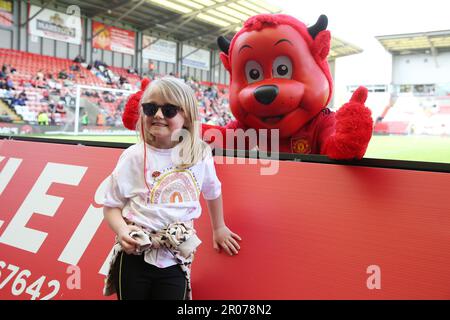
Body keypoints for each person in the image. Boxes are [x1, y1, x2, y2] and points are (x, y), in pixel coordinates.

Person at [102, 77, 241, 300]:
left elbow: (213, 191)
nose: (157, 115)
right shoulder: (133, 156)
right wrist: (121, 230)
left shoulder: (200, 154)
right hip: (134, 258)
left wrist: (219, 227)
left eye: (168, 110)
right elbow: (111, 205)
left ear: (186, 116)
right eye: (150, 108)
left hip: (176, 259)